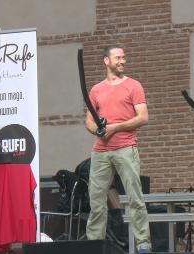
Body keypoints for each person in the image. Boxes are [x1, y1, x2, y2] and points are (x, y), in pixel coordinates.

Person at [85, 45, 152, 253]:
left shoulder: (133, 86)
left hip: (125, 148)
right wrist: (99, 131)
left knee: (135, 198)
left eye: (124, 57)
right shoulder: (96, 90)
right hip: (100, 151)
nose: (122, 61)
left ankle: (143, 244)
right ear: (106, 61)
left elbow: (143, 117)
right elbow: (89, 121)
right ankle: (94, 244)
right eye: (118, 58)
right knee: (96, 201)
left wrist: (115, 127)